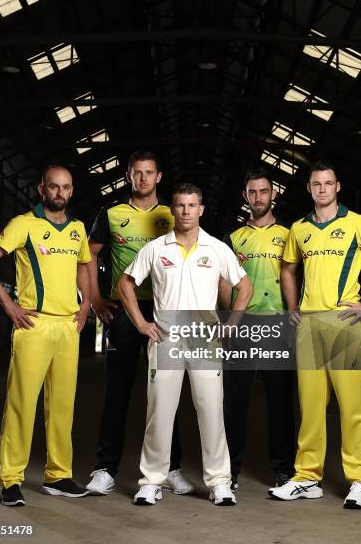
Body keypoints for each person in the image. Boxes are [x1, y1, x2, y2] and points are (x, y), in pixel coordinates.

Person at [269, 161, 361, 509]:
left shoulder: (357, 222)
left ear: (337, 186)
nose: (323, 189)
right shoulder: (299, 229)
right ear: (309, 188)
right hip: (309, 326)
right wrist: (291, 308)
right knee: (311, 407)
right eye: (316, 184)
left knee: (353, 407)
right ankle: (307, 477)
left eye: (328, 183)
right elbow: (288, 269)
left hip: (344, 324)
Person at [117, 183, 253, 506]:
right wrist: (141, 323)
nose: (186, 211)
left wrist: (230, 324)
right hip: (167, 338)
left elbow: (244, 287)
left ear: (201, 210)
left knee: (211, 411)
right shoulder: (156, 248)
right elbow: (125, 283)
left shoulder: (217, 248)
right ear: (172, 209)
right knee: (160, 411)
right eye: (180, 205)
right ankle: (151, 481)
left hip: (205, 339)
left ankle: (220, 482)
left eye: (192, 205)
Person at [0, 165, 91, 507]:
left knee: (63, 406)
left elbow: (84, 265)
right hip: (33, 326)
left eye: (66, 187)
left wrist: (85, 307)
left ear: (72, 190)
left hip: (68, 327)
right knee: (21, 404)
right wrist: (10, 306)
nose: (60, 193)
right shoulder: (24, 224)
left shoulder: (78, 229)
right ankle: (11, 480)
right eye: (53, 187)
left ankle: (58, 475)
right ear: (42, 189)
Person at [86, 151, 193, 496]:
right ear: (129, 176)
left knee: (167, 394)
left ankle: (172, 468)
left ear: (159, 177)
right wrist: (94, 299)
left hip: (165, 312)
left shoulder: (173, 213)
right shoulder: (112, 213)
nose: (143, 178)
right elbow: (87, 255)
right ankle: (105, 469)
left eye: (149, 172)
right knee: (117, 392)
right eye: (137, 173)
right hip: (123, 313)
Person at [219, 170, 295, 491]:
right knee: (235, 401)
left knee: (280, 400)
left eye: (264, 192)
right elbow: (225, 282)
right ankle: (230, 469)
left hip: (277, 324)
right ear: (245, 196)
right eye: (252, 192)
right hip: (243, 326)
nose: (258, 198)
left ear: (273, 194)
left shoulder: (290, 234)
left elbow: (295, 274)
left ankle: (283, 469)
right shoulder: (234, 238)